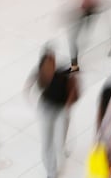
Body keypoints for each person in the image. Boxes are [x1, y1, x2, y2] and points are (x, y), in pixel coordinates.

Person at [24, 49, 78, 178]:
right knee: (47, 142)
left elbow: (73, 84)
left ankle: (62, 147)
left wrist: (68, 104)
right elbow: (28, 85)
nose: (50, 66)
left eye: (52, 61)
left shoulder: (62, 71)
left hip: (61, 108)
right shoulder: (39, 72)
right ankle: (51, 171)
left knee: (61, 137)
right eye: (48, 63)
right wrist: (29, 97)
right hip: (47, 108)